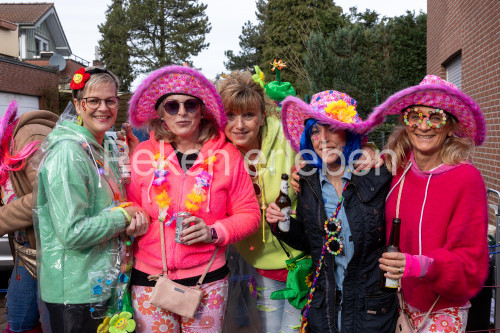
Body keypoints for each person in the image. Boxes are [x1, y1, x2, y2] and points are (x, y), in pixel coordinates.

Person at [126, 65, 261, 332]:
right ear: (161, 114)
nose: (182, 112)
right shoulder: (144, 154)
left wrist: (214, 231)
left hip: (207, 280)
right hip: (149, 278)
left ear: (202, 111)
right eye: (172, 106)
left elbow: (250, 215)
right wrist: (132, 217)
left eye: (190, 105)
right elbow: (130, 204)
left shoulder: (228, 156)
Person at [266, 90, 397, 333]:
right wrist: (281, 223)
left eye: (331, 128)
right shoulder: (306, 181)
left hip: (370, 312)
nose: (322, 139)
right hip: (324, 311)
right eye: (315, 130)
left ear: (349, 133)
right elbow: (312, 242)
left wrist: (372, 151)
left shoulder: (379, 175)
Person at [369, 75, 489, 331]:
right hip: (395, 305)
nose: (424, 126)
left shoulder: (466, 179)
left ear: (449, 127)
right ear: (406, 122)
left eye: (436, 117)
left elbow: (471, 263)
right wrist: (302, 170)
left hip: (443, 309)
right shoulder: (395, 168)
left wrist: (421, 265)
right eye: (415, 116)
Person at [33, 67, 149, 332]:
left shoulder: (98, 148)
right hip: (75, 294)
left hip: (100, 285)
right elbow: (72, 232)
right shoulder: (69, 153)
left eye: (110, 100)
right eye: (93, 100)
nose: (103, 108)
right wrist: (124, 216)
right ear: (77, 104)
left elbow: (108, 203)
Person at [216, 71, 303, 332]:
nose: (239, 125)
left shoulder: (290, 138)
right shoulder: (218, 153)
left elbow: (334, 143)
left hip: (301, 260)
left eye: (248, 115)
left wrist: (366, 152)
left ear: (263, 115)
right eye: (230, 116)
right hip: (258, 265)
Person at [0, 100, 58, 333]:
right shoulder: (9, 141)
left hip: (47, 252)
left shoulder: (30, 136)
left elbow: (49, 194)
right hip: (31, 249)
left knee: (21, 321)